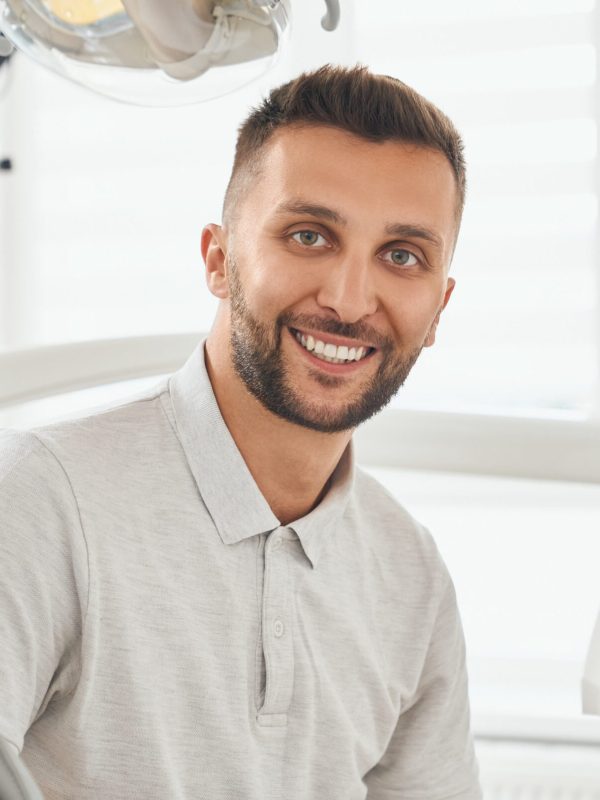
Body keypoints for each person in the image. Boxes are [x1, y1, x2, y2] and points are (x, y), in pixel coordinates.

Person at [0, 64, 482, 799]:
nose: (351, 301)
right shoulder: (42, 500)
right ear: (220, 260)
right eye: (309, 235)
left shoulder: (410, 575)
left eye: (402, 256)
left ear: (440, 307)